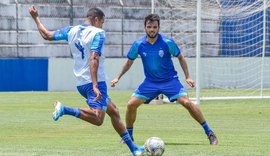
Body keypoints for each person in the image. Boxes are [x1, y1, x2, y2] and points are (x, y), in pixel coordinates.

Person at [29, 5, 144, 155]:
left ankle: (133, 148)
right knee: (98, 119)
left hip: (81, 82)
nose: (102, 25)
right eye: (102, 22)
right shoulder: (98, 33)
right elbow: (94, 57)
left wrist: (35, 17)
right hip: (94, 82)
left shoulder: (72, 30)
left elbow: (47, 35)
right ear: (96, 20)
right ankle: (64, 109)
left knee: (114, 111)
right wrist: (96, 85)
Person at [111, 14, 218, 145]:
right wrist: (117, 77)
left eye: (154, 27)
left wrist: (188, 77)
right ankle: (129, 137)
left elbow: (181, 57)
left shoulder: (167, 42)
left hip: (170, 81)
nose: (152, 30)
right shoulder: (138, 44)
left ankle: (210, 133)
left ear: (158, 28)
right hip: (150, 82)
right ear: (145, 27)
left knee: (187, 103)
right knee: (131, 104)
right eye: (149, 27)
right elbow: (128, 62)